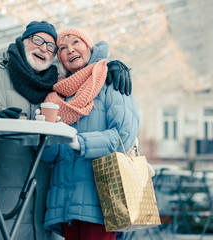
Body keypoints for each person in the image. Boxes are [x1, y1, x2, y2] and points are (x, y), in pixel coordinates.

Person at [0, 21, 132, 240]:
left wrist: (113, 66)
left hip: (43, 213)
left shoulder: (55, 89)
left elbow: (113, 127)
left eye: (50, 45)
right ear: (22, 42)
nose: (44, 48)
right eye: (37, 40)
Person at [40, 28, 140, 240]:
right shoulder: (59, 96)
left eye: (76, 42)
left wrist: (80, 142)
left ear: (90, 48)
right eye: (62, 48)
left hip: (101, 199)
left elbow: (123, 136)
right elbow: (50, 157)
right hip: (66, 202)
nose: (70, 50)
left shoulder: (111, 81)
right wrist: (46, 134)